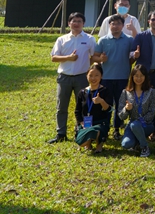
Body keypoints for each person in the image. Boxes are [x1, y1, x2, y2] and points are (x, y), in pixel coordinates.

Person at [49, 12, 95, 144]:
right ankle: (61, 133)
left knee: (83, 106)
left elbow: (93, 56)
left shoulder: (89, 39)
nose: (76, 23)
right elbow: (54, 57)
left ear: (83, 23)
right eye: (74, 21)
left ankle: (80, 132)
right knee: (61, 107)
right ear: (69, 23)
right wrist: (68, 58)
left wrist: (86, 65)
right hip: (64, 77)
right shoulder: (62, 39)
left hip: (82, 78)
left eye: (79, 21)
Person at [93, 14, 135, 140]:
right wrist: (101, 58)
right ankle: (104, 128)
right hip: (106, 78)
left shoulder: (129, 40)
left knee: (120, 105)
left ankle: (117, 129)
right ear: (109, 25)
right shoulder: (103, 40)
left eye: (118, 24)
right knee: (106, 104)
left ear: (123, 26)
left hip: (123, 77)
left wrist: (135, 57)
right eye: (113, 24)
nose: (115, 26)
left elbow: (132, 58)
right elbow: (95, 57)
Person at [132, 10, 155, 139]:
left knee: (154, 102)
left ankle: (153, 129)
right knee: (139, 101)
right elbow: (131, 52)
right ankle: (138, 127)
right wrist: (135, 55)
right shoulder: (141, 36)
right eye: (153, 19)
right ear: (149, 21)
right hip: (141, 75)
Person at [118, 64, 155, 157]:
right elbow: (121, 116)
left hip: (146, 125)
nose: (139, 78)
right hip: (131, 125)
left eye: (141, 76)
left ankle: (145, 147)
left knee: (135, 124)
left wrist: (140, 121)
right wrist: (126, 109)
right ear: (132, 77)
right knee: (126, 144)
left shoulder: (152, 91)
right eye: (136, 76)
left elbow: (153, 111)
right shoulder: (126, 92)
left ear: (145, 77)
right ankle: (138, 141)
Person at [74, 63, 112, 153]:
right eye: (90, 75)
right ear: (86, 76)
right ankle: (88, 141)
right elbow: (77, 111)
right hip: (86, 123)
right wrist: (82, 123)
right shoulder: (82, 92)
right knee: (81, 142)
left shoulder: (105, 91)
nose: (93, 78)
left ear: (101, 76)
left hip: (100, 123)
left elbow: (108, 109)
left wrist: (101, 101)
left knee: (96, 130)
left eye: (96, 75)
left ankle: (99, 144)